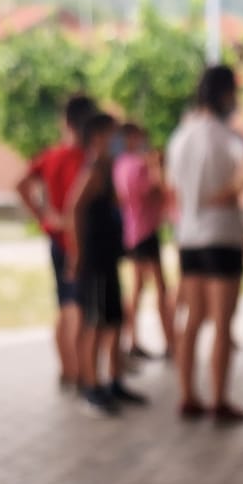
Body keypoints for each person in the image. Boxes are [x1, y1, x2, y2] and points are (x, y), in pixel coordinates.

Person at [167, 64, 243, 422]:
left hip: (189, 237)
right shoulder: (226, 135)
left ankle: (187, 395)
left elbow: (172, 186)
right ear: (225, 94)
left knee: (192, 319)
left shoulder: (180, 137)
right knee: (222, 323)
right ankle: (219, 399)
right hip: (222, 236)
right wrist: (229, 192)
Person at [66, 112, 147, 417]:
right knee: (96, 325)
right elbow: (73, 209)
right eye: (113, 135)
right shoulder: (92, 173)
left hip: (110, 260)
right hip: (96, 263)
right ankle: (92, 386)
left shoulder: (109, 170)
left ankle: (114, 381)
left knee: (114, 322)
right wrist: (77, 254)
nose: (119, 141)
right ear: (98, 138)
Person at [18, 94, 96, 391]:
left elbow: (21, 185)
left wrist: (44, 216)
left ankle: (68, 370)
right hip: (77, 242)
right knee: (78, 308)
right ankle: (82, 373)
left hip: (57, 240)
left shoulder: (52, 155)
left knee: (64, 305)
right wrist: (50, 217)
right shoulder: (85, 160)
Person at [113, 122, 173, 362]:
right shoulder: (137, 165)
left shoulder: (121, 165)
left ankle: (132, 340)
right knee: (158, 289)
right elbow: (157, 191)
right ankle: (168, 341)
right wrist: (157, 166)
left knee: (138, 289)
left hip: (135, 231)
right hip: (144, 232)